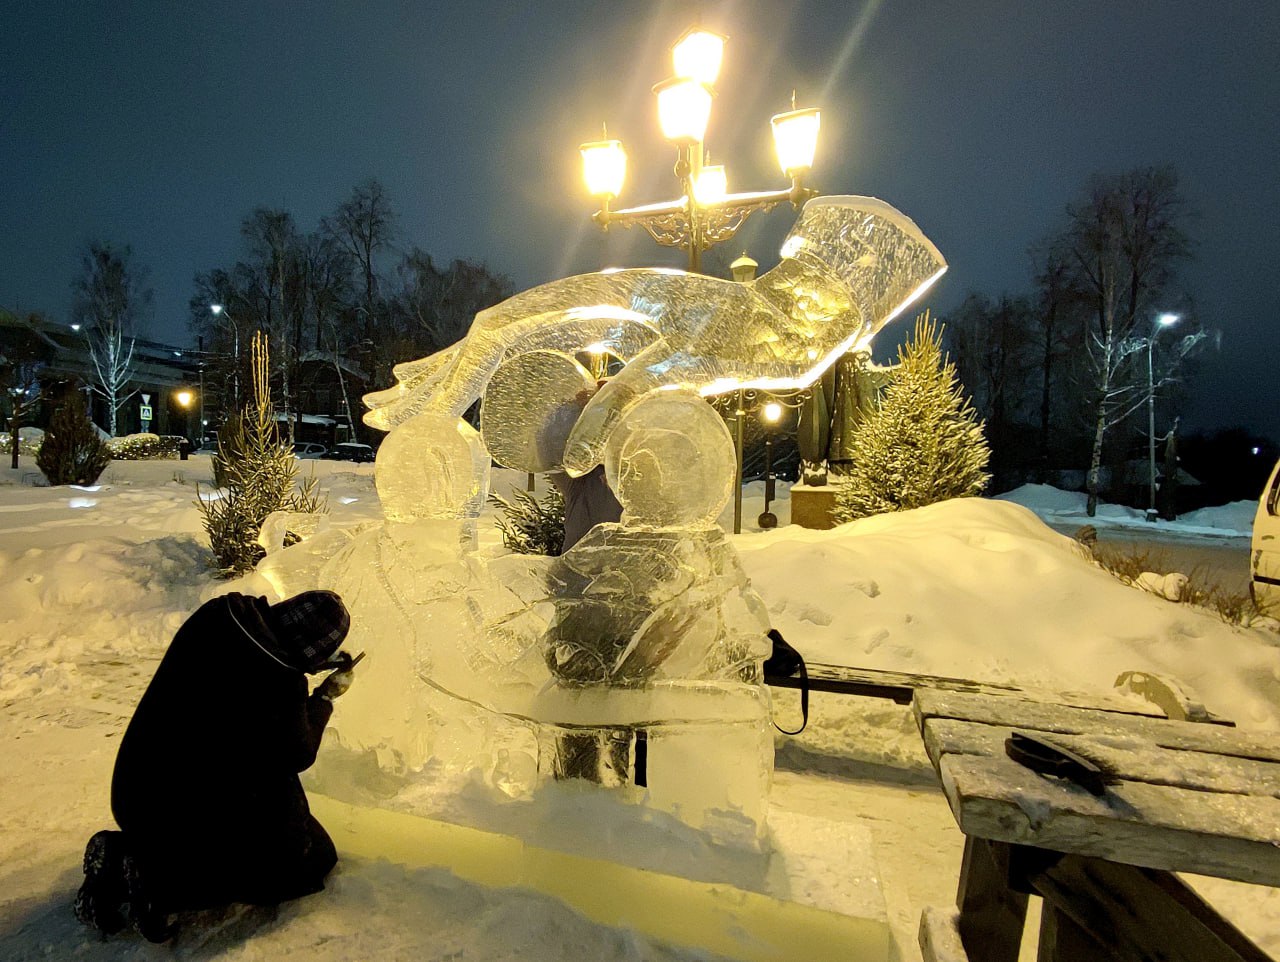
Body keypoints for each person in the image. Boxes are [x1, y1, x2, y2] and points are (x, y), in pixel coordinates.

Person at [74, 590, 358, 942]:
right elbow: (295, 753)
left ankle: (138, 853)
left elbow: (245, 684)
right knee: (304, 861)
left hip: (136, 787)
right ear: (307, 647)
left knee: (246, 807)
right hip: (178, 810)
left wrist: (304, 661)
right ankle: (150, 880)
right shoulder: (277, 679)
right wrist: (324, 697)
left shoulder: (221, 615)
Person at [548, 385, 622, 553]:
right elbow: (549, 445)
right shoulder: (582, 480)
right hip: (574, 575)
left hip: (623, 575)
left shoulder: (642, 481)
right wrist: (574, 408)